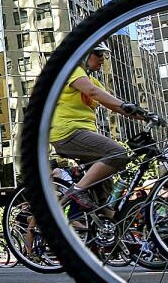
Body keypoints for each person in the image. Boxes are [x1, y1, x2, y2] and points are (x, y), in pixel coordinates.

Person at [48, 43, 144, 211]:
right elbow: (92, 92)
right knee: (117, 153)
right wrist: (126, 105)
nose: (102, 58)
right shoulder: (71, 72)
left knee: (106, 200)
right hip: (68, 132)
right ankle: (76, 191)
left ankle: (103, 228)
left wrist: (146, 115)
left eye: (103, 55)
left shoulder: (92, 80)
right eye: (98, 53)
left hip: (84, 136)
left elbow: (115, 105)